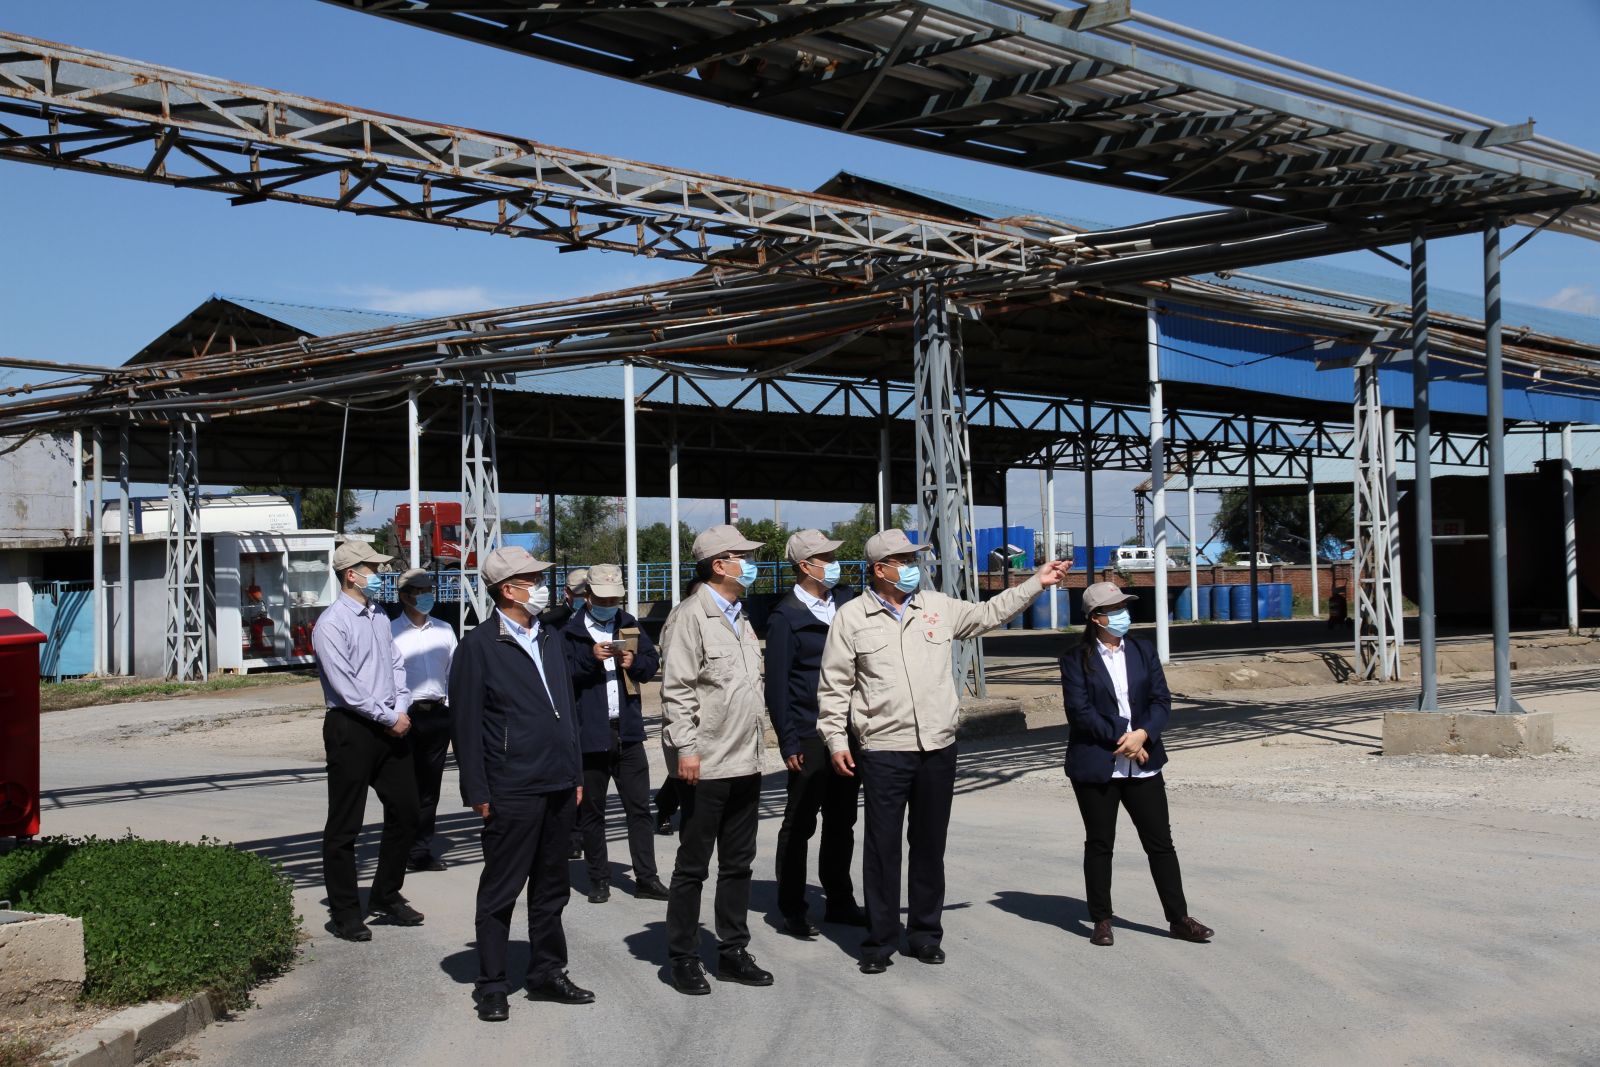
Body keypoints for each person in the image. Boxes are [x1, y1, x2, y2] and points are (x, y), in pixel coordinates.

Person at [817, 529, 1066, 974]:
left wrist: (1036, 583)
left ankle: (925, 934)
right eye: (903, 560)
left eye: (913, 559)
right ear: (879, 569)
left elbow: (987, 614)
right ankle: (879, 941)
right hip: (884, 748)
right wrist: (836, 740)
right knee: (882, 848)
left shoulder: (935, 606)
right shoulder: (851, 617)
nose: (913, 567)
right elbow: (835, 685)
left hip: (937, 747)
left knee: (929, 845)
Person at [450, 546, 593, 1023]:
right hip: (511, 785)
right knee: (501, 889)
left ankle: (547, 972)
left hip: (559, 780)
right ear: (509, 590)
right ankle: (492, 985)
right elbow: (466, 725)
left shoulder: (549, 636)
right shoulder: (478, 646)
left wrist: (575, 772)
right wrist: (477, 791)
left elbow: (566, 708)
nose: (542, 587)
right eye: (533, 579)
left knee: (552, 888)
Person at [1057, 582, 1213, 949]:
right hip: (1098, 764)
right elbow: (1079, 712)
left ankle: (1179, 919)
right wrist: (1123, 739)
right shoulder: (1074, 659)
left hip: (1144, 763)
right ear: (1096, 618)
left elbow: (1161, 700)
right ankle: (1101, 920)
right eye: (1115, 609)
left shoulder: (1143, 650)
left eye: (1124, 607)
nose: (1123, 614)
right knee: (1100, 843)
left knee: (1160, 843)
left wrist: (1142, 735)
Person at [660, 525, 774, 995]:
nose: (751, 563)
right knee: (693, 865)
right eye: (742, 556)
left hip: (746, 759)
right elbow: (677, 689)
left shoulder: (740, 616)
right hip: (706, 762)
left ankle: (732, 952)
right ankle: (682, 957)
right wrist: (686, 749)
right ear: (719, 564)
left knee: (738, 864)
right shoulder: (690, 616)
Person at [312, 539, 422, 943]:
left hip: (391, 721)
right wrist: (388, 716)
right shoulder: (331, 623)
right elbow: (346, 687)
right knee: (346, 824)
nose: (380, 575)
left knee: (407, 811)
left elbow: (395, 664)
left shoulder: (377, 614)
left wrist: (401, 706)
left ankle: (386, 894)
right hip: (352, 727)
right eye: (372, 569)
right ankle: (344, 912)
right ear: (351, 574)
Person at [765, 529, 866, 938]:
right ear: (805, 566)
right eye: (826, 558)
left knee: (842, 820)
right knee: (800, 822)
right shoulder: (785, 617)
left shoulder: (846, 603)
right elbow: (777, 686)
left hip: (847, 729)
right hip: (808, 732)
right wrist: (788, 740)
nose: (834, 564)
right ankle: (792, 907)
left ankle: (840, 900)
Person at [560, 563, 668, 904]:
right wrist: (591, 658)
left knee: (639, 808)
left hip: (628, 731)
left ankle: (646, 878)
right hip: (590, 734)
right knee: (593, 812)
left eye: (615, 599)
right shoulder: (570, 632)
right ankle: (599, 879)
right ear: (588, 596)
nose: (609, 605)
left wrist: (634, 663)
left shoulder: (629, 624)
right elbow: (561, 677)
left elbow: (650, 665)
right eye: (603, 599)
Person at [390, 567, 457, 873]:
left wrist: (450, 709)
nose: (427, 596)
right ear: (405, 596)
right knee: (404, 787)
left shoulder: (444, 630)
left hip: (438, 714)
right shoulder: (390, 631)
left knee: (430, 787)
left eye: (429, 590)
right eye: (419, 591)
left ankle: (420, 850)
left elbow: (454, 673)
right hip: (405, 715)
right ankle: (398, 848)